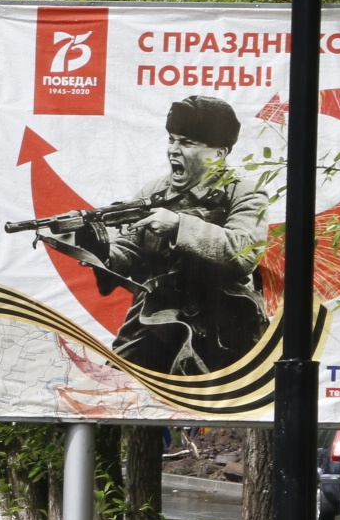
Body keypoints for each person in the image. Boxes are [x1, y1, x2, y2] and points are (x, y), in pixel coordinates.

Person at [77, 94, 270, 375]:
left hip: (224, 321)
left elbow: (244, 253)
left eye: (187, 142)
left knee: (217, 404)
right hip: (154, 317)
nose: (173, 150)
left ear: (219, 153)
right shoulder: (153, 192)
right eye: (171, 139)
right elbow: (128, 252)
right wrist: (99, 250)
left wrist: (178, 225)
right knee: (118, 390)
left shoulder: (245, 192)